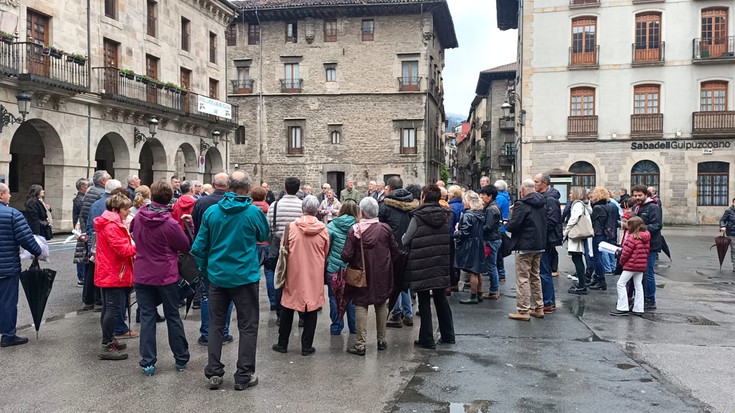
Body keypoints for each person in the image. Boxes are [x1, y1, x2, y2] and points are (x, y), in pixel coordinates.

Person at [192, 171, 268, 391]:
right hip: (244, 276)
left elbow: (198, 247)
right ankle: (243, 375)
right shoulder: (253, 212)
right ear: (247, 189)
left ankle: (214, 373)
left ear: (228, 187)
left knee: (216, 324)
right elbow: (264, 234)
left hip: (217, 276)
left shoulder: (212, 212)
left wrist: (206, 270)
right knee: (248, 326)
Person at [130, 180, 191, 376]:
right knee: (173, 316)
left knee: (147, 317)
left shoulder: (139, 217)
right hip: (166, 274)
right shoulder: (171, 223)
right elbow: (184, 245)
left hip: (142, 272)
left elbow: (132, 231)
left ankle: (148, 360)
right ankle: (180, 358)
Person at [341, 197, 401, 355]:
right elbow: (395, 251)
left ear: (361, 213)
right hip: (382, 272)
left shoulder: (355, 230)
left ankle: (360, 344)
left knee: (361, 305)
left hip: (362, 272)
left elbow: (346, 255)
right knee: (381, 303)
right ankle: (381, 340)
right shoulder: (385, 229)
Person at [272, 196, 330, 356]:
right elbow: (326, 251)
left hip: (294, 272)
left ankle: (282, 343)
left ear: (302, 208)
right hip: (314, 273)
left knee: (288, 306)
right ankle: (306, 346)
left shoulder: (290, 227)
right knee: (311, 307)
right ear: (317, 209)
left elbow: (283, 248)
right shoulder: (323, 229)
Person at [402, 185, 454, 349]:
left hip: (422, 263)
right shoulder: (446, 215)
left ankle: (427, 338)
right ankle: (448, 335)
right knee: (441, 298)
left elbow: (406, 239)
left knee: (424, 300)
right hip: (440, 260)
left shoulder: (418, 216)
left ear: (424, 197)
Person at [192, 173, 235, 344]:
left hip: (208, 254)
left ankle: (206, 333)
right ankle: (223, 332)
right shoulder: (234, 203)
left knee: (206, 295)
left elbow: (197, 228)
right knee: (227, 295)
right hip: (228, 254)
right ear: (229, 186)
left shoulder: (201, 203)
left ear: (212, 184)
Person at [93, 193, 136, 360]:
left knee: (108, 309)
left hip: (110, 271)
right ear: (115, 209)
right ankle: (106, 345)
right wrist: (137, 245)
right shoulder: (112, 226)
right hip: (114, 272)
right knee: (112, 309)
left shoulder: (110, 223)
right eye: (125, 209)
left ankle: (110, 339)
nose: (127, 212)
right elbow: (123, 249)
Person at [0, 183, 42, 348]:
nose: (10, 196)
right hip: (6, 268)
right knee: (7, 302)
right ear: (1, 195)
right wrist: (37, 251)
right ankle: (8, 335)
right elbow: (26, 239)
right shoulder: (12, 214)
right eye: (8, 193)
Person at [379, 176, 419, 328]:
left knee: (394, 281)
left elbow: (381, 229)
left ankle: (396, 313)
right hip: (408, 246)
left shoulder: (385, 206)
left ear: (389, 188)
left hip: (392, 248)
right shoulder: (413, 204)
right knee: (405, 282)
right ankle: (408, 314)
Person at [505, 179, 547, 321]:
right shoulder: (542, 202)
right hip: (539, 243)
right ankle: (538, 307)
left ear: (523, 190)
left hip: (525, 245)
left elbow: (513, 225)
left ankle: (523, 310)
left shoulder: (522, 204)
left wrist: (507, 222)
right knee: (535, 276)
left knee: (523, 278)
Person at [266, 177, 306, 325]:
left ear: (284, 187)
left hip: (279, 246)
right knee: (300, 282)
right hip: (298, 247)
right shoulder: (302, 206)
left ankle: (280, 314)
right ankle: (302, 315)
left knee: (280, 280)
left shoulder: (275, 206)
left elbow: (268, 227)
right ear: (298, 188)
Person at [75, 170, 110, 311]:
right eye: (109, 177)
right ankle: (96, 300)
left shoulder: (91, 192)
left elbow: (84, 214)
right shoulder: (100, 195)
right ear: (103, 181)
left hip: (89, 234)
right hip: (95, 235)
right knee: (94, 268)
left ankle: (88, 300)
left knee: (90, 268)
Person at [326, 201, 359, 336]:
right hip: (352, 268)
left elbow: (327, 247)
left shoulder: (332, 225)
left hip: (334, 267)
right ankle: (353, 326)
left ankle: (336, 326)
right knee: (352, 298)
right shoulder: (358, 227)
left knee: (334, 297)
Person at [533, 173, 563, 313]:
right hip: (545, 238)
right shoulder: (545, 197)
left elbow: (552, 220)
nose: (534, 184)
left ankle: (548, 302)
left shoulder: (550, 199)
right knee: (544, 271)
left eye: (537, 181)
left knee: (544, 272)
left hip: (546, 239)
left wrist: (538, 228)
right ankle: (548, 301)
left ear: (544, 183)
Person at [610, 216, 650, 316]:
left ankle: (623, 307)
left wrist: (621, 263)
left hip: (631, 265)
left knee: (621, 284)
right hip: (641, 265)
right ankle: (638, 308)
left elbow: (625, 254)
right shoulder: (646, 237)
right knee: (638, 285)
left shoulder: (632, 238)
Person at [631, 184, 663, 310]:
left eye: (640, 195)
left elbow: (657, 225)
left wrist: (640, 230)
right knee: (639, 272)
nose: (637, 198)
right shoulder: (636, 207)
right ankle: (641, 297)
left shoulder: (653, 207)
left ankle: (650, 299)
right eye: (635, 196)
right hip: (639, 244)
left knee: (648, 272)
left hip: (650, 245)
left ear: (646, 195)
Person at [455, 191, 487, 305]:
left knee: (472, 271)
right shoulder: (480, 214)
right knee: (478, 271)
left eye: (465, 200)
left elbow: (465, 233)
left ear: (469, 202)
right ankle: (479, 293)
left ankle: (473, 296)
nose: (463, 202)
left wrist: (456, 231)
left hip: (470, 244)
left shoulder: (468, 215)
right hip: (479, 242)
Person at [564, 187, 593, 295]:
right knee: (578, 258)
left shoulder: (577, 205)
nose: (569, 195)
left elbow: (573, 219)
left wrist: (565, 232)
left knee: (577, 259)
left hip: (576, 235)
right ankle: (582, 283)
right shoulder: (584, 204)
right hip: (581, 236)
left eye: (571, 193)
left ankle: (581, 285)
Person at [251, 187, 276, 310]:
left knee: (253, 273)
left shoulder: (248, 210)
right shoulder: (269, 209)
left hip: (253, 245)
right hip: (266, 244)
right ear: (265, 197)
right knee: (269, 273)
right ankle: (273, 302)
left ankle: (252, 302)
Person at [478, 185, 503, 300]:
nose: (482, 198)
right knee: (492, 265)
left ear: (490, 196)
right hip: (494, 238)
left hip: (491, 240)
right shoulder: (493, 207)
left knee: (491, 266)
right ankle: (494, 289)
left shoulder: (491, 209)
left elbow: (488, 226)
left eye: (483, 196)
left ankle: (493, 290)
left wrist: (478, 230)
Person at [588, 187, 613, 291]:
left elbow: (591, 218)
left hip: (598, 234)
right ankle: (598, 278)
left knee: (597, 258)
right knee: (599, 257)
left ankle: (601, 280)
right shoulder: (607, 206)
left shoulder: (598, 207)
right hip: (603, 233)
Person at [447, 185, 465, 292]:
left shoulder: (451, 208)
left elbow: (450, 225)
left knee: (451, 260)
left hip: (453, 236)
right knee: (457, 260)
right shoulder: (463, 205)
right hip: (461, 236)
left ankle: (452, 282)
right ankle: (456, 282)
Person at [73, 178, 89, 286]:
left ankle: (81, 276)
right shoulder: (81, 199)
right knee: (81, 253)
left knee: (81, 253)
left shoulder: (80, 198)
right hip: (81, 229)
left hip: (79, 228)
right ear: (83, 187)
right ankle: (81, 276)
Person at [494, 180, 511, 282]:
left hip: (499, 227)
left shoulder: (499, 198)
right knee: (499, 251)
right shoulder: (505, 197)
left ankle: (501, 272)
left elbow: (496, 210)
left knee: (498, 252)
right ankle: (500, 271)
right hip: (502, 226)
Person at [719, 197, 735, 272]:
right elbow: (723, 220)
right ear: (733, 203)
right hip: (731, 233)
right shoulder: (728, 211)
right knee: (734, 249)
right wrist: (722, 226)